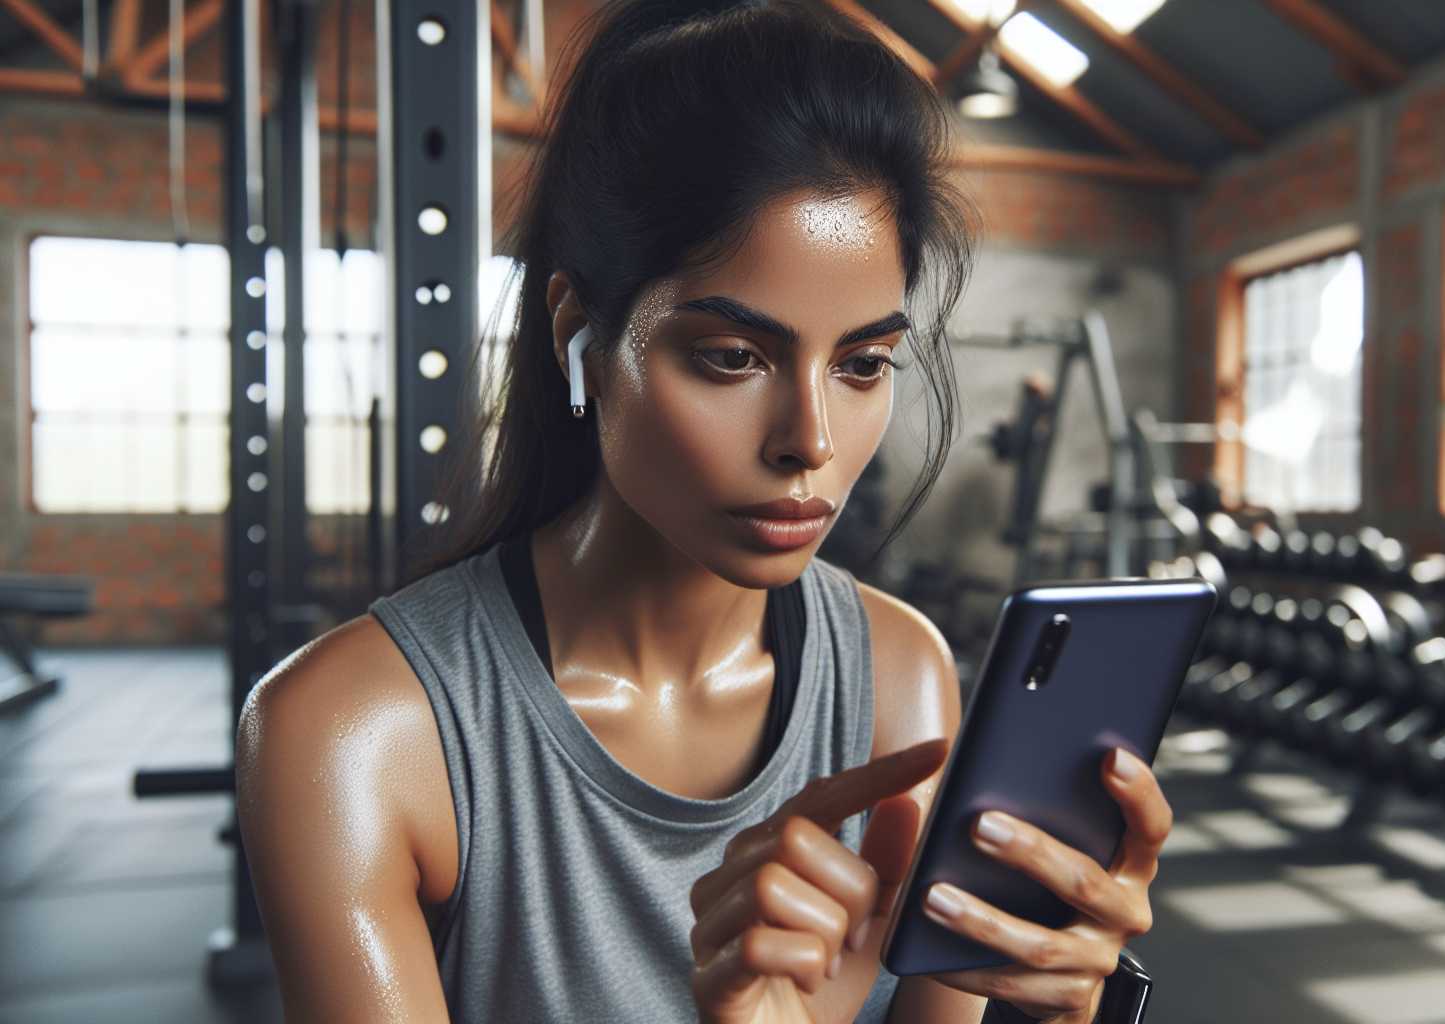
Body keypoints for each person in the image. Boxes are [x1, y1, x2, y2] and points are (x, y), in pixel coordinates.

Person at [234, 1, 1171, 1021]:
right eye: (732, 358)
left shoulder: (900, 680)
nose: (808, 438)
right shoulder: (351, 737)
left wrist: (1061, 1011)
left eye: (862, 364)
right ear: (578, 335)